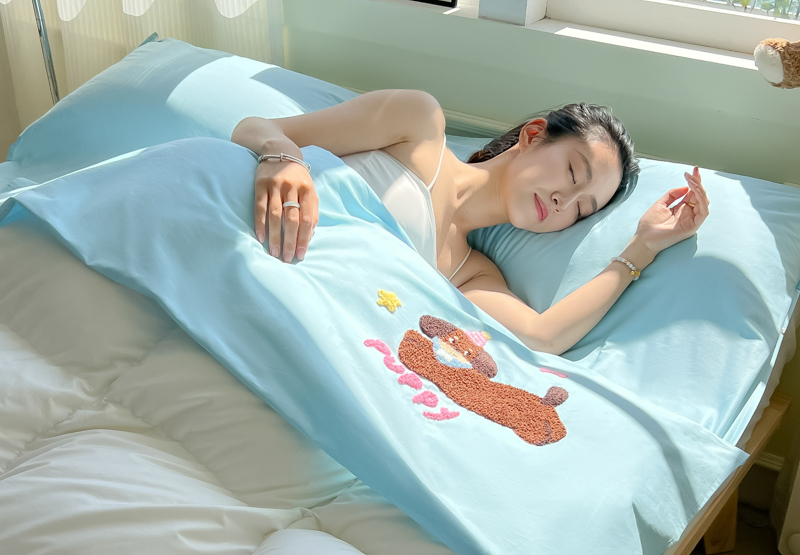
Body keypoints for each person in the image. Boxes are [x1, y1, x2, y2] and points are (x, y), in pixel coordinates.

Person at [231, 89, 709, 355]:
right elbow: (254, 128)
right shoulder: (418, 124)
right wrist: (283, 157)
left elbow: (543, 337)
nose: (564, 201)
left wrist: (642, 248)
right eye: (571, 173)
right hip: (236, 224)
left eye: (582, 209)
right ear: (534, 135)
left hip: (274, 306)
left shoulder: (470, 272)